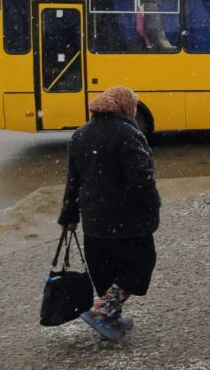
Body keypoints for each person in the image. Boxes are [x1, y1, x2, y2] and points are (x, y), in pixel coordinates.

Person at [57, 86, 160, 336]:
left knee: (105, 270)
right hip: (127, 220)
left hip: (95, 221)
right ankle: (103, 312)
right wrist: (151, 204)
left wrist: (69, 215)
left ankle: (111, 319)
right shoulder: (128, 133)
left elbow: (74, 180)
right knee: (138, 266)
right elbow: (141, 178)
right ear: (125, 107)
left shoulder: (80, 135)